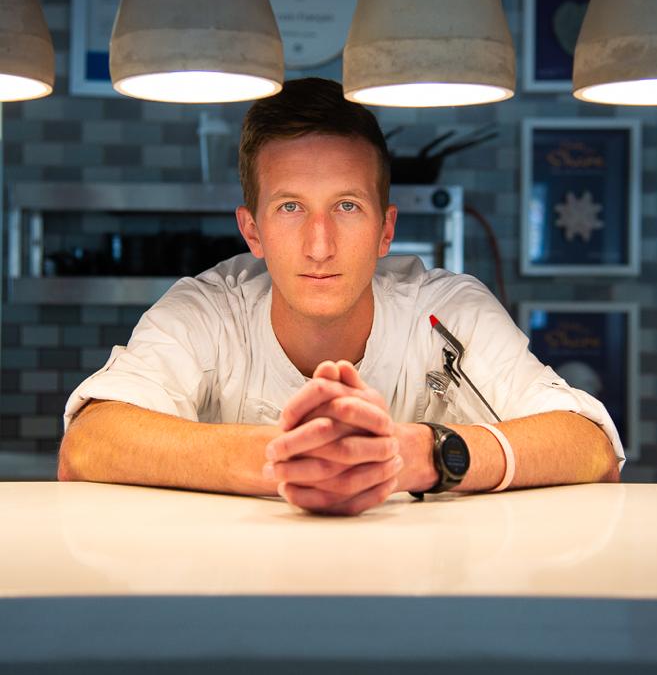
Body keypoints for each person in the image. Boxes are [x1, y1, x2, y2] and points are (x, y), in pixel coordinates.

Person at [58, 78, 622, 515]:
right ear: (252, 231)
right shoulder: (207, 310)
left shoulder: (449, 309)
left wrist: (419, 456)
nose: (320, 245)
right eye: (290, 207)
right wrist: (284, 459)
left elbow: (592, 447)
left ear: (386, 230)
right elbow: (87, 445)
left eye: (347, 206)